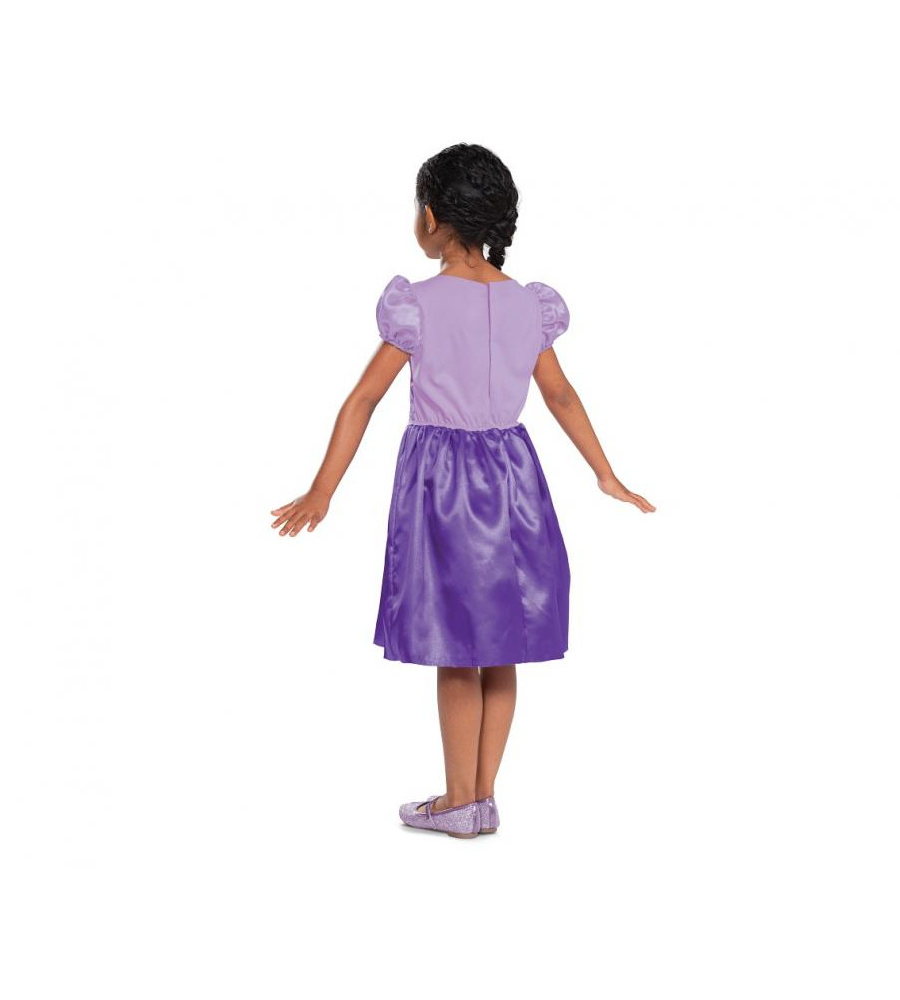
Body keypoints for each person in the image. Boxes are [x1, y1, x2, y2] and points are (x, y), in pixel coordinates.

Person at [270, 143, 655, 839]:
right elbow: (560, 395)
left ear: (430, 217)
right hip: (515, 479)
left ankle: (456, 802)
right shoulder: (528, 305)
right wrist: (605, 473)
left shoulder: (416, 305)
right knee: (501, 646)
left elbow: (363, 399)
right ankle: (481, 798)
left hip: (444, 483)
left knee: (456, 646)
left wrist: (322, 490)